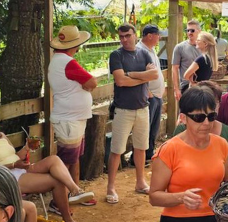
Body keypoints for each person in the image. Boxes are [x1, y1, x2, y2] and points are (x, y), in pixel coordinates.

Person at [150, 87, 228, 222]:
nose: (206, 123)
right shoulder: (169, 150)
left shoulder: (222, 145)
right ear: (183, 118)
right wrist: (180, 197)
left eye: (210, 116)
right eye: (199, 117)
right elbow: (154, 196)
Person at [0, 107, 91, 222]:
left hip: (19, 168)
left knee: (54, 159)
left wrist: (27, 148)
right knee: (57, 181)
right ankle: (69, 221)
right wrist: (13, 165)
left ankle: (75, 190)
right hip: (8, 176)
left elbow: (15, 155)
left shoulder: (1, 136)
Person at [107, 23, 159, 203]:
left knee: (141, 147)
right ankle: (111, 187)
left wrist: (131, 74)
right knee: (116, 150)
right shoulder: (116, 55)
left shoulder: (143, 53)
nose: (124, 40)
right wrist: (142, 75)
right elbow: (120, 81)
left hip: (142, 108)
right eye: (121, 37)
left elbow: (154, 76)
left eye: (127, 35)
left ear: (135, 35)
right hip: (123, 110)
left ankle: (140, 182)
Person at [48, 25, 97, 194]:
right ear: (75, 45)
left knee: (73, 158)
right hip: (70, 120)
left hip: (71, 118)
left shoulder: (58, 61)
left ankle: (75, 193)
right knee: (66, 162)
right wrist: (85, 87)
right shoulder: (68, 63)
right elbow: (92, 83)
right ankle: (59, 200)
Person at [173, 81, 228, 177]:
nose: (208, 108)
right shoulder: (181, 130)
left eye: (213, 103)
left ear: (219, 104)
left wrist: (215, 178)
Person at [137, 24, 166, 162]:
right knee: (145, 127)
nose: (159, 38)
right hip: (149, 95)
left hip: (157, 94)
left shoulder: (152, 50)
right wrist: (147, 92)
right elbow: (139, 75)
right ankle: (139, 156)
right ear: (149, 36)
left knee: (154, 127)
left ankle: (149, 153)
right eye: (157, 35)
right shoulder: (139, 51)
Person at [171, 19, 202, 100]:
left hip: (202, 86)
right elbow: (174, 68)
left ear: (199, 31)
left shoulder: (205, 47)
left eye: (192, 30)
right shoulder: (179, 47)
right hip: (186, 86)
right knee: (185, 112)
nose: (189, 33)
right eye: (187, 30)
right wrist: (176, 89)